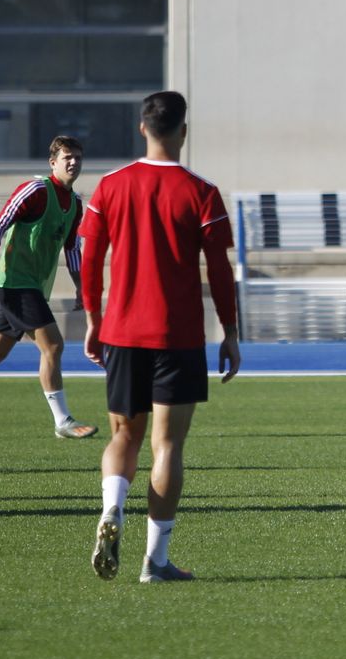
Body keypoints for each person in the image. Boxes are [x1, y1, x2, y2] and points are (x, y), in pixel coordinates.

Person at [81, 91, 241, 583]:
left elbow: (89, 260)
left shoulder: (110, 185)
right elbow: (220, 270)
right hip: (177, 335)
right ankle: (155, 561)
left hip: (122, 332)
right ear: (183, 132)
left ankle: (112, 507)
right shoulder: (202, 192)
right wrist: (230, 333)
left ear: (141, 128)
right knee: (167, 445)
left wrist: (93, 320)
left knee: (123, 436)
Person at [0, 136, 97, 441]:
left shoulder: (74, 203)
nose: (74, 162)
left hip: (32, 286)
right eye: (67, 157)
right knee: (53, 345)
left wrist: (80, 287)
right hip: (16, 284)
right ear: (53, 162)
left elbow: (72, 248)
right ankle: (62, 421)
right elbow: (0, 224)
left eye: (78, 158)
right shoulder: (35, 190)